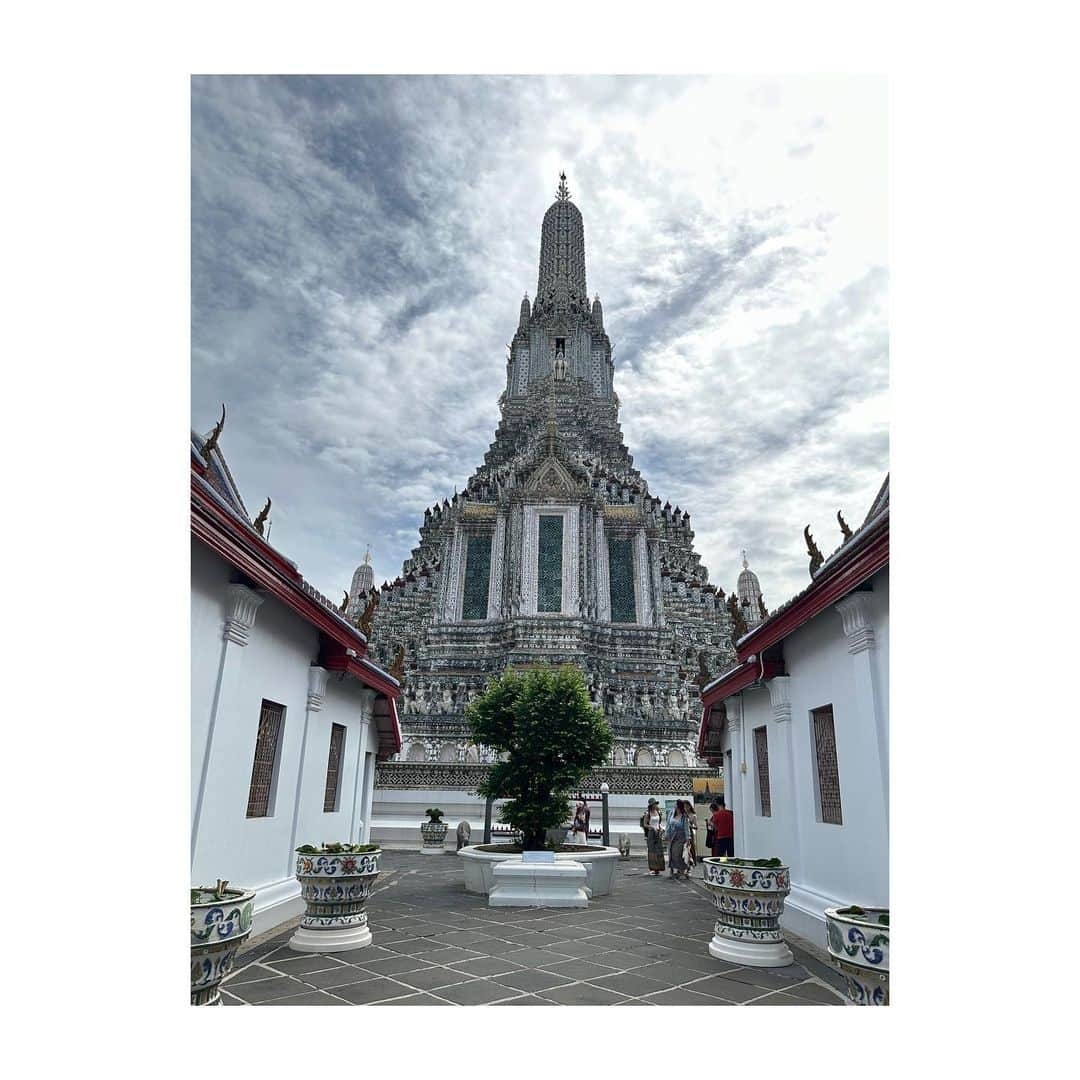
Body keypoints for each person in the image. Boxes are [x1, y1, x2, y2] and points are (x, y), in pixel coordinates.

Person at [640, 798, 665, 874]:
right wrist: (652, 827)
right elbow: (645, 824)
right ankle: (653, 868)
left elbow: (659, 822)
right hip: (651, 832)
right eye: (654, 804)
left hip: (658, 832)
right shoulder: (648, 813)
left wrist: (661, 828)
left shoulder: (658, 812)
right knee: (652, 850)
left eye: (655, 804)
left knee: (659, 849)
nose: (655, 805)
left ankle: (659, 867)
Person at [667, 801, 689, 879]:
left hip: (681, 836)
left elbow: (686, 828)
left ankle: (682, 870)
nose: (675, 806)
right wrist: (667, 834)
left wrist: (687, 838)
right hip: (672, 836)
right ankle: (673, 870)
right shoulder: (671, 813)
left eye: (676, 805)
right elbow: (668, 825)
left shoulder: (684, 816)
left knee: (678, 854)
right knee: (672, 854)